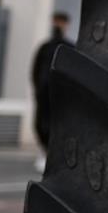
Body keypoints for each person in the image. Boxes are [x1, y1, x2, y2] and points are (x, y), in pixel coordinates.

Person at [31, 11, 69, 172]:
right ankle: (47, 152)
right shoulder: (47, 47)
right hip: (46, 91)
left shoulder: (66, 47)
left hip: (58, 94)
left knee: (54, 123)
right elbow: (35, 70)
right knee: (43, 123)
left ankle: (52, 153)